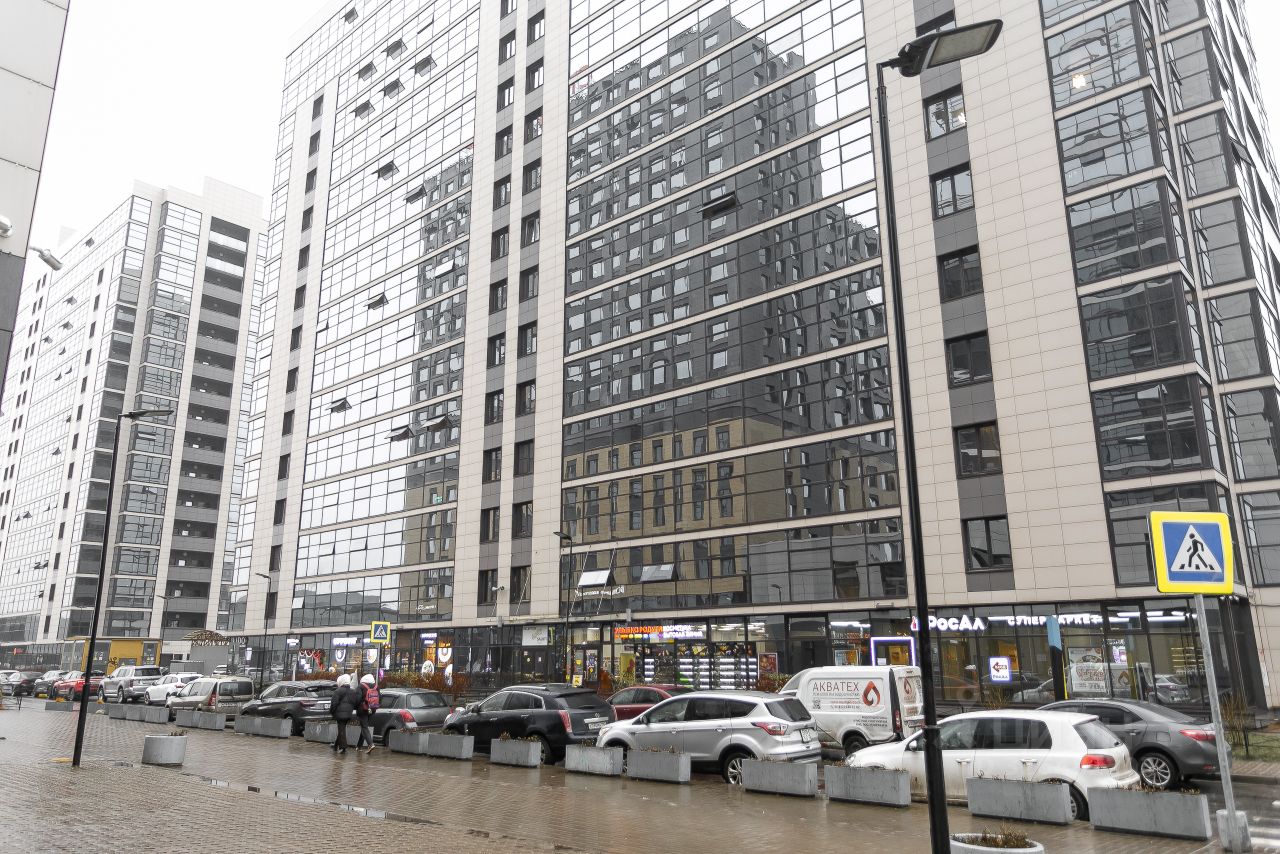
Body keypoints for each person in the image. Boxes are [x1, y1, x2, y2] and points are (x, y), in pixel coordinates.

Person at [330, 674, 360, 755]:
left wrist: (332, 712)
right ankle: (335, 746)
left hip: (339, 714)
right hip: (349, 713)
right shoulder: (352, 692)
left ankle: (343, 747)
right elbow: (355, 703)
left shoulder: (338, 691)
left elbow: (334, 704)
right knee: (341, 729)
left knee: (341, 729)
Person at [356, 673, 379, 753]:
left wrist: (356, 707)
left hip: (363, 709)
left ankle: (370, 744)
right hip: (372, 709)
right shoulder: (376, 686)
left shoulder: (361, 686)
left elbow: (358, 699)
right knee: (364, 726)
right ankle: (359, 746)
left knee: (364, 727)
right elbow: (380, 697)